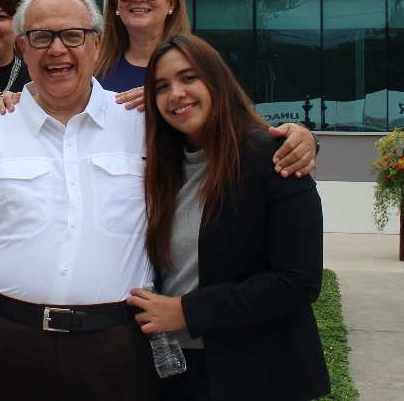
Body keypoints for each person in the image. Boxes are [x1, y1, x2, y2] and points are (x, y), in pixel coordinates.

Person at [0, 0, 156, 401]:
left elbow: (223, 138)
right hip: (1, 350)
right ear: (23, 48)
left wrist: (288, 136)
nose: (57, 50)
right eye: (42, 37)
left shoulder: (142, 128)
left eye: (72, 35)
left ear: (97, 43)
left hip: (115, 353)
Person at [126, 35, 330, 401]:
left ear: (215, 80)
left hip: (254, 372)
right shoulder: (159, 167)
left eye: (188, 78)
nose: (176, 94)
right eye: (162, 86)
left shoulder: (274, 158)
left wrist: (187, 312)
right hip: (171, 370)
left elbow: (298, 282)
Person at [3, 0, 320, 178]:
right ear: (115, 4)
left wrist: (301, 136)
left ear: (171, 1)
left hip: (186, 200)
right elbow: (52, 113)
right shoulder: (91, 72)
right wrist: (15, 102)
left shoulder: (199, 66)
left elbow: (244, 125)